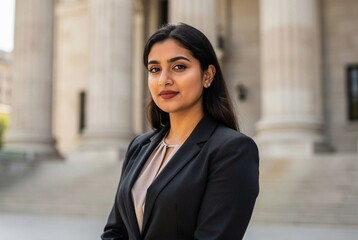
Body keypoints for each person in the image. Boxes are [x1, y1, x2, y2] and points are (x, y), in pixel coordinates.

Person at [101, 22, 259, 240]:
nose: (164, 80)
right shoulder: (139, 147)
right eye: (155, 69)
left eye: (179, 67)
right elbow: (115, 231)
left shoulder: (232, 150)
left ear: (207, 75)